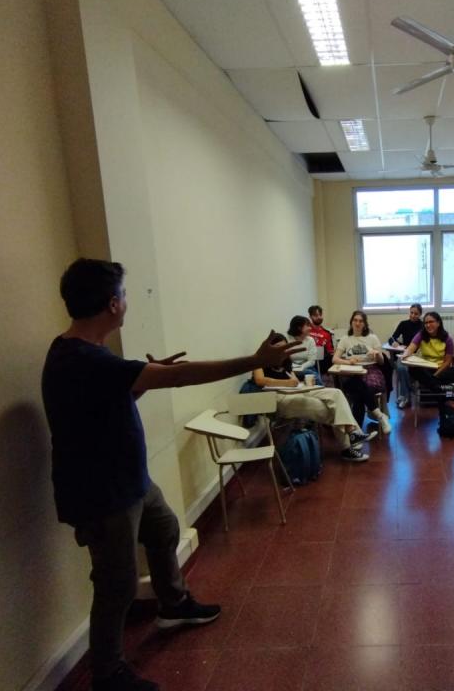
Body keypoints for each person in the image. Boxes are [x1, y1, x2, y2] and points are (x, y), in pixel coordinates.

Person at [41, 258, 301, 691]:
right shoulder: (87, 359)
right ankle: (107, 674)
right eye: (124, 295)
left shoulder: (80, 354)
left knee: (163, 530)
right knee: (116, 584)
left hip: (129, 480)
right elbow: (180, 377)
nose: (126, 302)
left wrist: (140, 378)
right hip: (103, 493)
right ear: (112, 304)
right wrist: (255, 360)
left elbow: (108, 399)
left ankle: (174, 603)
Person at [253, 334, 374, 462]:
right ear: (269, 347)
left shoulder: (285, 361)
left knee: (336, 393)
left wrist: (295, 382)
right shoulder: (259, 360)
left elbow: (293, 379)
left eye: (284, 347)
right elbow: (260, 380)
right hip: (279, 398)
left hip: (295, 391)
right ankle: (348, 445)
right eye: (277, 347)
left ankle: (352, 434)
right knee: (331, 409)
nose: (281, 350)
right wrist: (286, 383)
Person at [332, 310, 391, 434]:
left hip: (371, 369)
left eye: (361, 321)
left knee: (358, 394)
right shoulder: (345, 339)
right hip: (351, 370)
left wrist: (377, 355)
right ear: (351, 322)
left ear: (365, 324)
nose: (358, 323)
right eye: (355, 320)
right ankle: (380, 416)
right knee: (357, 387)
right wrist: (349, 362)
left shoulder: (372, 338)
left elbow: (381, 362)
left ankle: (356, 433)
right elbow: (335, 359)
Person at [401, 311, 454, 396]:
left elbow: (447, 362)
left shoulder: (448, 339)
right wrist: (404, 355)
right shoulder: (421, 335)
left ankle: (432, 384)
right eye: (426, 323)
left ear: (438, 323)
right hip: (425, 368)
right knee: (413, 369)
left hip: (440, 369)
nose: (428, 325)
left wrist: (435, 376)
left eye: (431, 322)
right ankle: (441, 386)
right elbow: (410, 348)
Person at [388, 303, 424, 409]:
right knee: (401, 368)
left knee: (408, 370)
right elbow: (391, 338)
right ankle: (407, 393)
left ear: (420, 314)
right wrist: (395, 343)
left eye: (416, 314)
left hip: (418, 355)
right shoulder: (403, 324)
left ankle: (404, 396)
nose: (413, 315)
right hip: (404, 353)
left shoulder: (423, 326)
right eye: (411, 313)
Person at [287, 315, 321, 385]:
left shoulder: (310, 340)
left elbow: (311, 361)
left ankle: (323, 392)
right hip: (290, 369)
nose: (310, 328)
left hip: (307, 367)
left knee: (313, 375)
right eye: (307, 326)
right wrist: (293, 368)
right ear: (299, 328)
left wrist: (301, 368)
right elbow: (285, 360)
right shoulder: (287, 340)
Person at [308, 304, 334, 378]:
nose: (319, 317)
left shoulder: (327, 333)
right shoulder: (306, 330)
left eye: (320, 315)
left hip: (323, 363)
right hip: (309, 362)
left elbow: (330, 351)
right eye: (316, 315)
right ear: (310, 317)